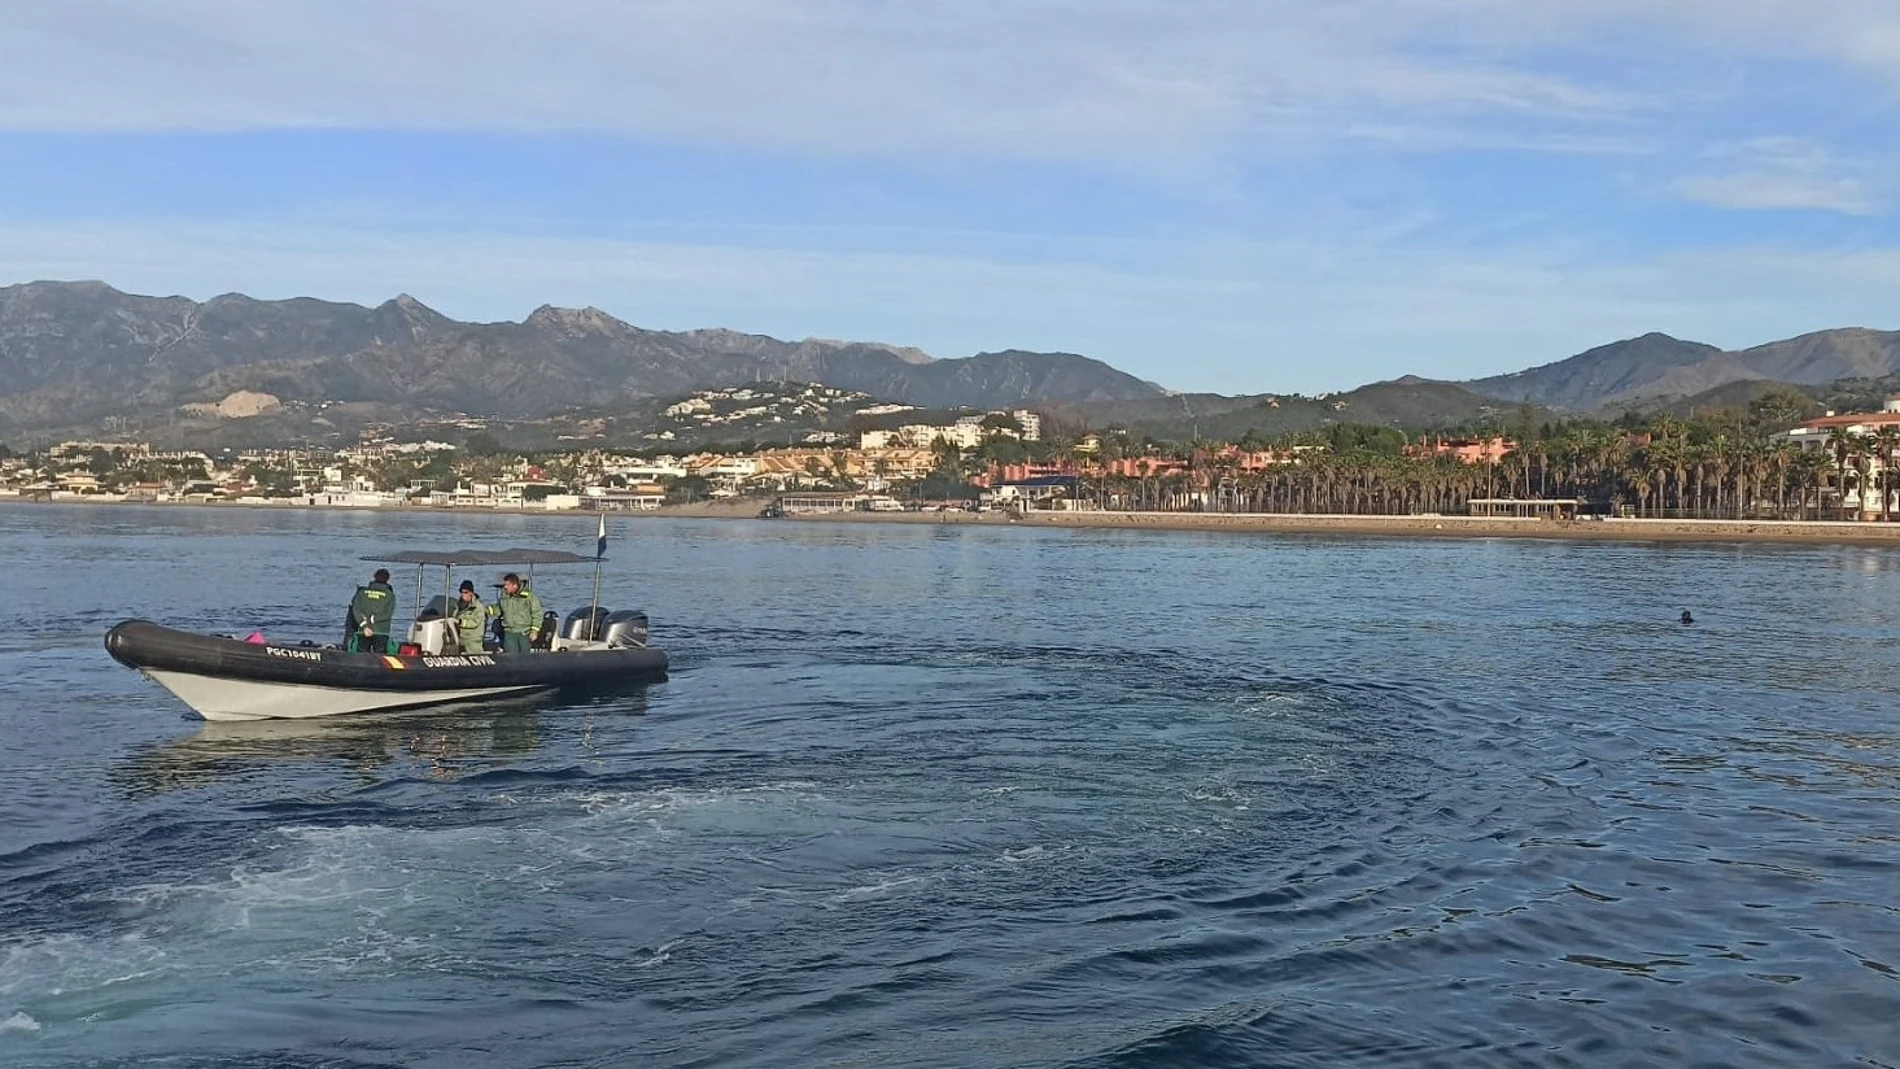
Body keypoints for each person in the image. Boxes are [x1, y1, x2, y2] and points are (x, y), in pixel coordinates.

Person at [346, 568, 397, 652]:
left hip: (363, 631)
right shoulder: (389, 596)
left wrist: (365, 625)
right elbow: (388, 614)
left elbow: (356, 610)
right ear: (388, 579)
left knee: (361, 655)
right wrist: (372, 619)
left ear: (374, 577)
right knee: (381, 657)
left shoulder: (362, 593)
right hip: (381, 631)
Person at [494, 572, 544, 654]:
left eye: (507, 584)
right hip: (509, 632)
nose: (505, 587)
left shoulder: (529, 597)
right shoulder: (504, 597)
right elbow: (499, 609)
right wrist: (486, 610)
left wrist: (534, 631)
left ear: (514, 585)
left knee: (524, 658)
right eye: (504, 584)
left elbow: (537, 614)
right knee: (510, 657)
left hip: (524, 633)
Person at [452, 579, 494, 654]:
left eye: (465, 592)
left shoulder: (478, 607)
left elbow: (475, 622)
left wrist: (460, 622)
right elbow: (454, 616)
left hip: (473, 640)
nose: (463, 595)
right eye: (461, 592)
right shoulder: (459, 605)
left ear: (471, 593)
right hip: (461, 638)